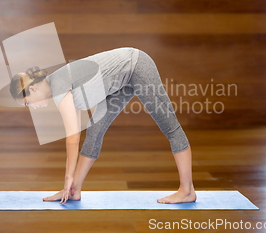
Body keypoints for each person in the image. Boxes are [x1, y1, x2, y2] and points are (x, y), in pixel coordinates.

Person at [10, 47, 196, 204]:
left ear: (32, 89)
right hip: (119, 83)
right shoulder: (58, 88)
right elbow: (75, 135)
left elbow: (72, 138)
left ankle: (187, 190)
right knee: (94, 131)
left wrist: (68, 177)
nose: (31, 107)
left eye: (27, 103)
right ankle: (74, 191)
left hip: (135, 65)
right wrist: (68, 181)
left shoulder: (58, 87)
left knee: (169, 126)